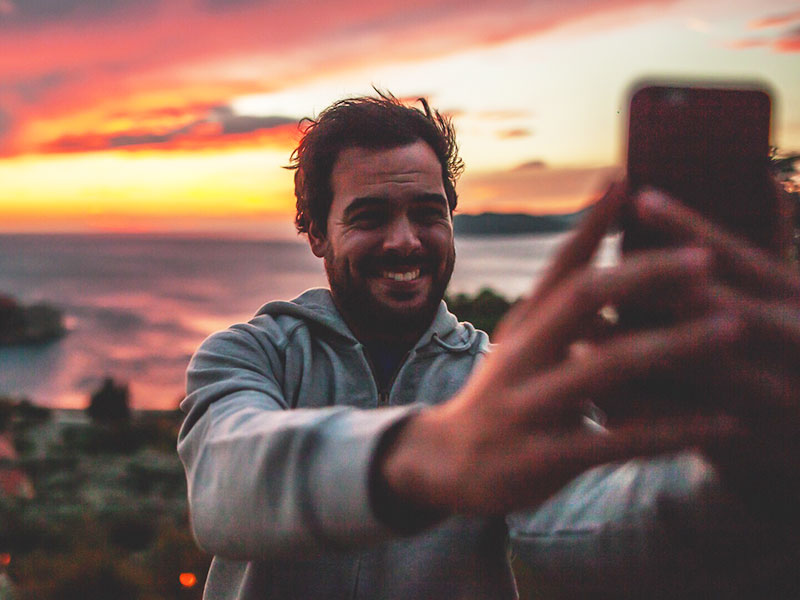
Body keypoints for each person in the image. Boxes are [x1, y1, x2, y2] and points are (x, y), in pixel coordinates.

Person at [178, 93, 799, 599]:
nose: (405, 241)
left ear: (452, 215)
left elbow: (594, 522)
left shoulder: (500, 382)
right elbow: (223, 488)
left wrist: (743, 481)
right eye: (369, 217)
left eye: (428, 212)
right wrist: (430, 455)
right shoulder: (248, 355)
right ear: (315, 232)